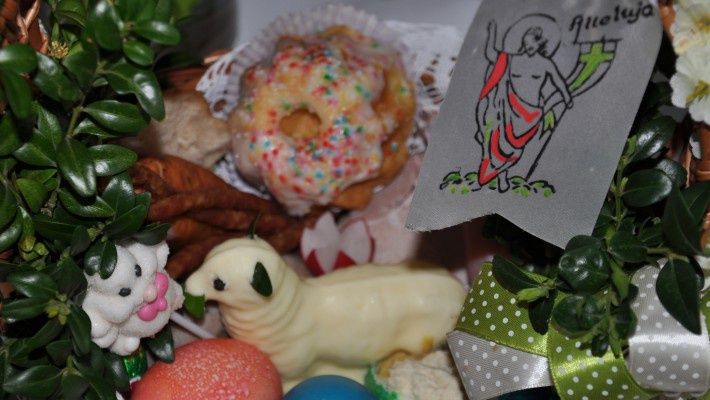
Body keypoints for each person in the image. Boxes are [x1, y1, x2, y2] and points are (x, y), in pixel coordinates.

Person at [473, 18, 573, 192]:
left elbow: (558, 81)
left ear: (540, 44)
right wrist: (492, 32)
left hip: (531, 115)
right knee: (498, 142)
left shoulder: (546, 63)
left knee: (516, 149)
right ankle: (501, 177)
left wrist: (567, 97)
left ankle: (502, 172)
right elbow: (491, 54)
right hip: (509, 107)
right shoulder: (512, 59)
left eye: (532, 44)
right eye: (526, 43)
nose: (528, 47)